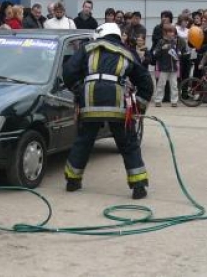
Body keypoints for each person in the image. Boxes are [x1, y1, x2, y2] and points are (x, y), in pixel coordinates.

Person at [62, 23, 153, 199]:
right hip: (117, 106)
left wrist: (79, 90)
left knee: (84, 142)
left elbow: (68, 71)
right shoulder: (128, 53)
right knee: (128, 144)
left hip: (90, 104)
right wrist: (138, 107)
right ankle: (139, 186)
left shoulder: (87, 48)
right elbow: (145, 82)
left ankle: (72, 181)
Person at [153, 24, 187, 107]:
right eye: (170, 32)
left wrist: (179, 53)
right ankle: (158, 100)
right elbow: (155, 54)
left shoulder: (175, 42)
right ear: (165, 33)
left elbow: (180, 54)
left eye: (173, 32)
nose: (172, 34)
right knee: (161, 84)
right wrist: (162, 48)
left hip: (174, 68)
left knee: (174, 85)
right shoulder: (161, 42)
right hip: (164, 67)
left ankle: (174, 101)